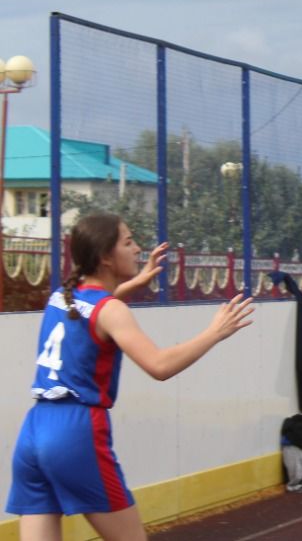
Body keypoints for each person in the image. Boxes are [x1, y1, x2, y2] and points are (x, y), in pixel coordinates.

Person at [7, 213, 255, 541]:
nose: (138, 248)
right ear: (105, 258)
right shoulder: (111, 311)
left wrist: (135, 283)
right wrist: (215, 332)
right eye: (128, 242)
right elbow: (159, 365)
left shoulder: (61, 297)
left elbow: (96, 311)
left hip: (34, 431)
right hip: (75, 432)